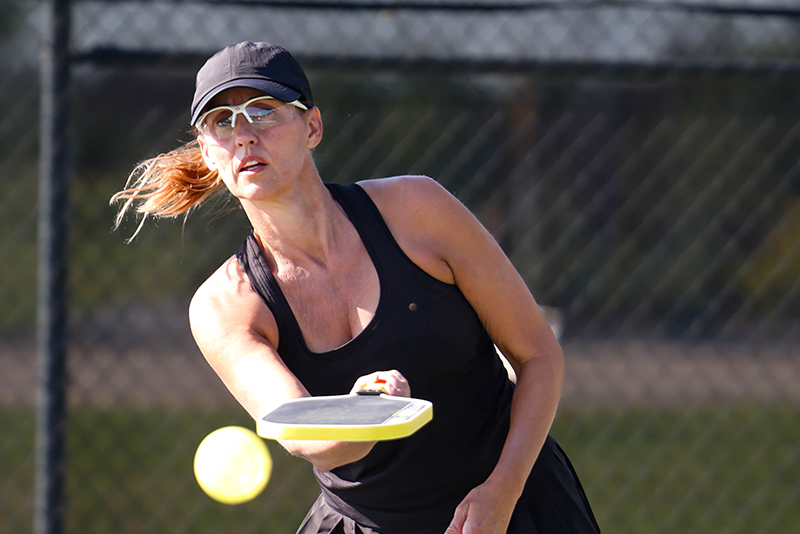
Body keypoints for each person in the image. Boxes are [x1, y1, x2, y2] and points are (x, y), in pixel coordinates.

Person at [112, 41, 600, 534]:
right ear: (208, 153)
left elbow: (539, 355)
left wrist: (504, 493)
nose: (243, 135)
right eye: (222, 120)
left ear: (313, 127)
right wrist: (367, 411)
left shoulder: (419, 210)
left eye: (263, 111)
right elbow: (311, 441)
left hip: (516, 504)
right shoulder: (225, 307)